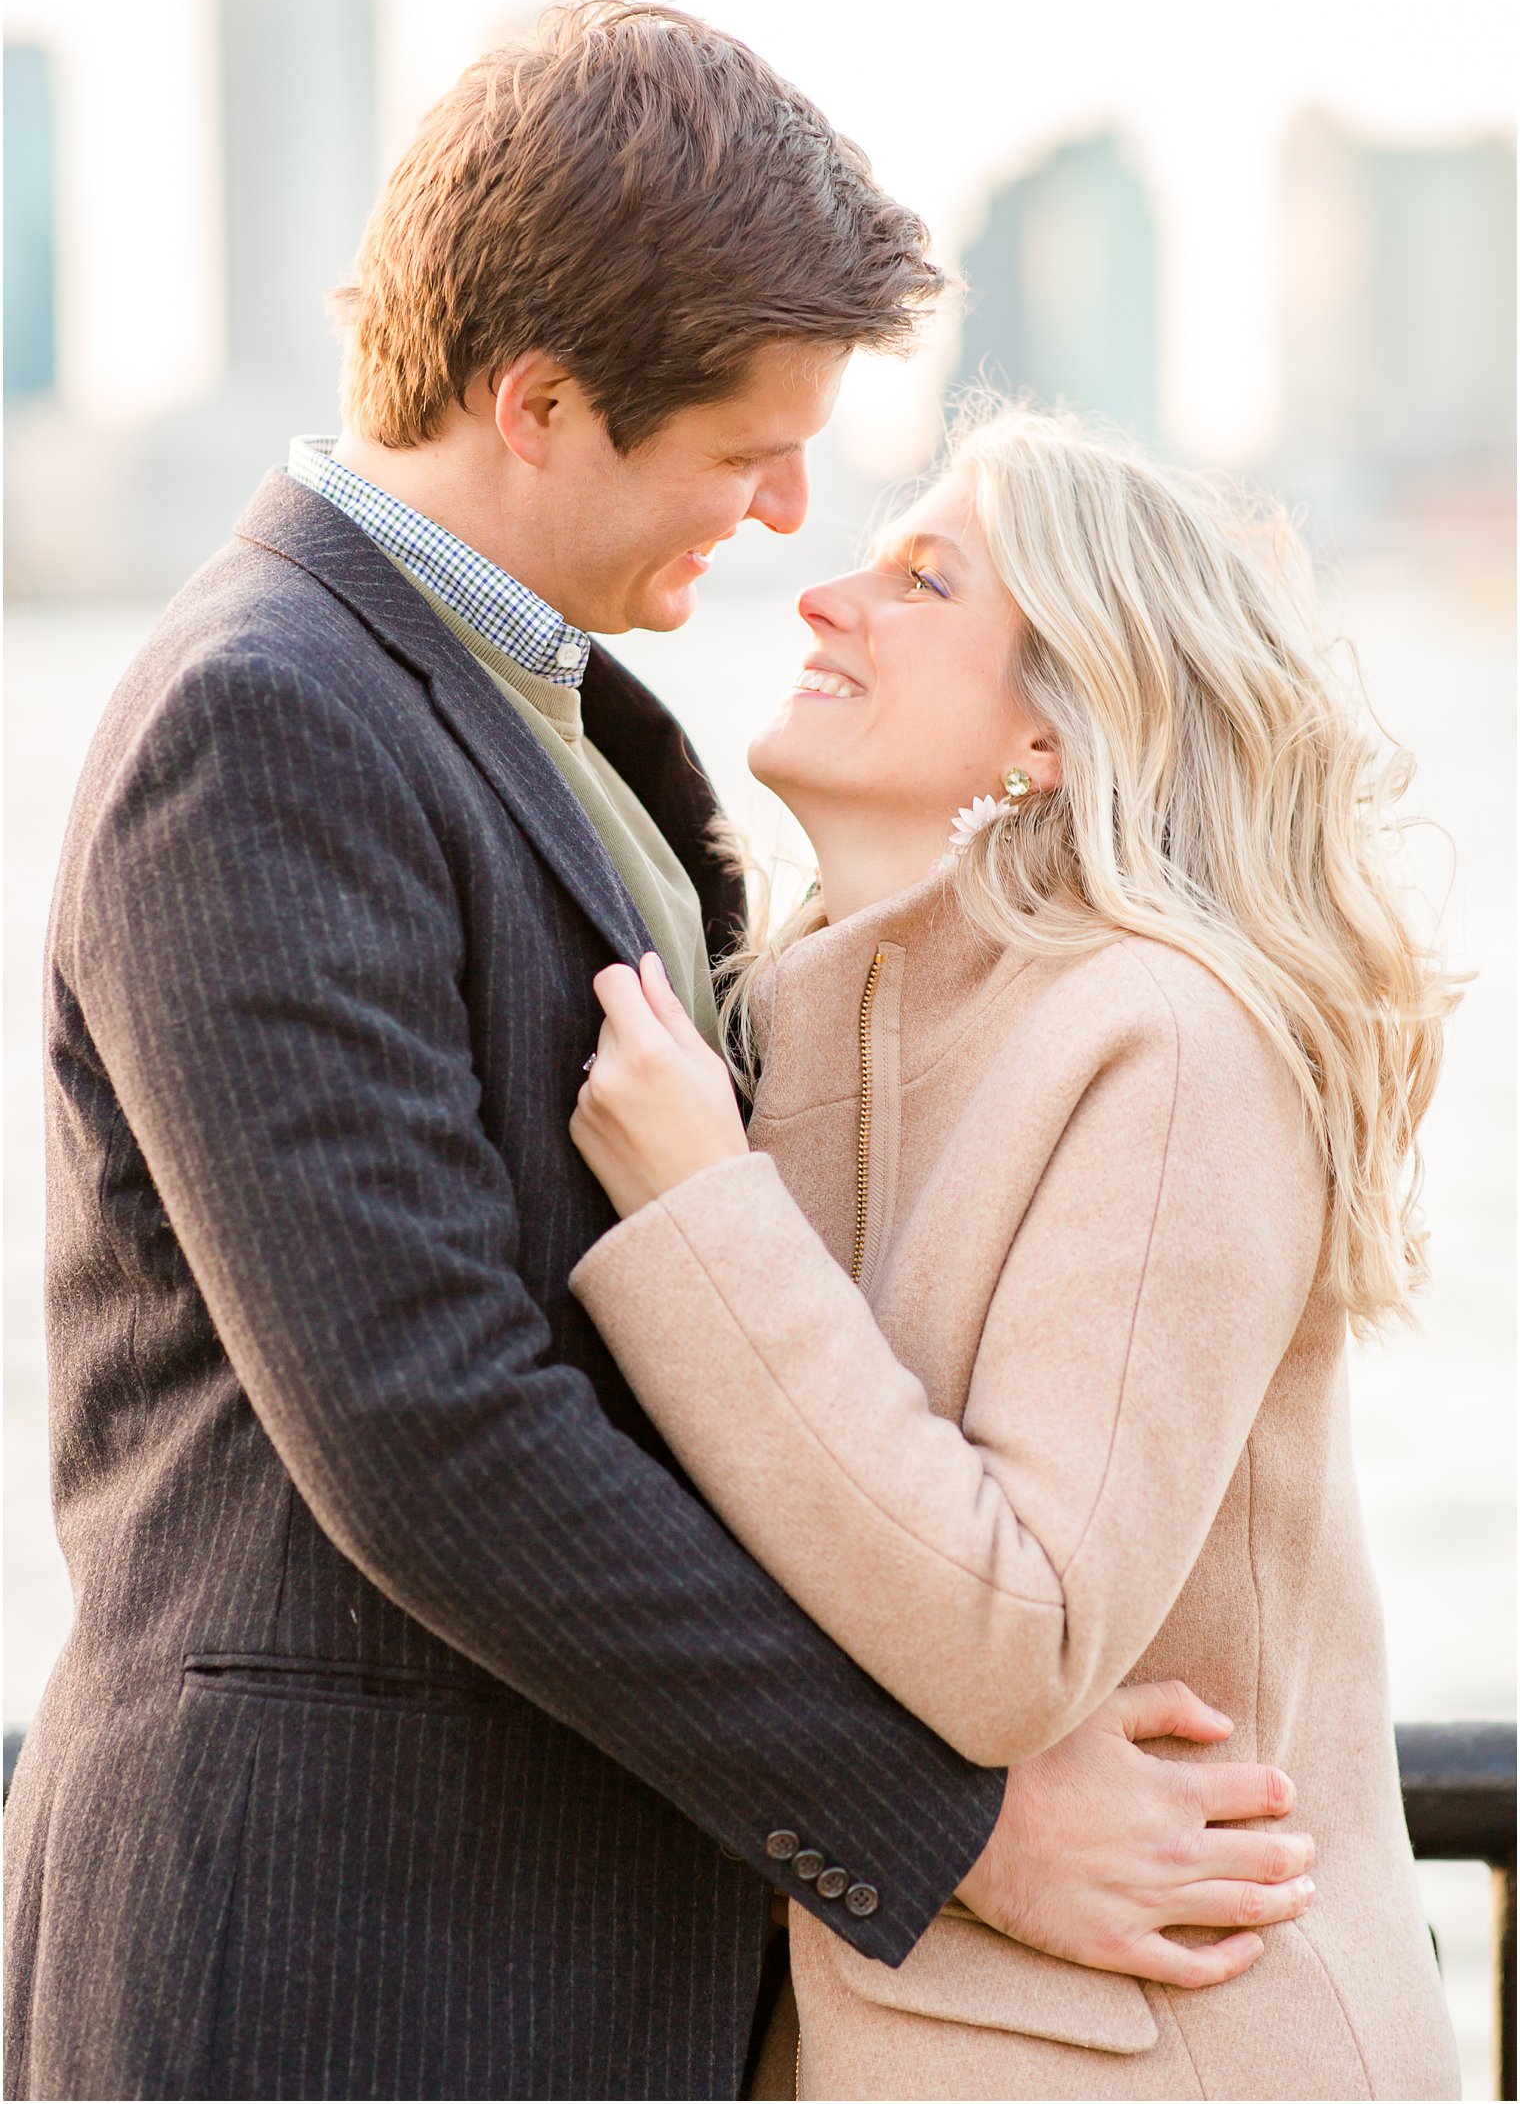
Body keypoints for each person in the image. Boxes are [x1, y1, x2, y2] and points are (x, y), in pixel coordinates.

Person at [4, 0, 1311, 2104]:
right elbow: (430, 1421)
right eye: (742, 450)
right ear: (536, 400)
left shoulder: (578, 724)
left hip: (570, 1964)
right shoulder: (263, 723)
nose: (790, 509)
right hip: (340, 1965)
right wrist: (947, 1822)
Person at [568, 403, 1465, 2099]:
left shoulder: (1168, 1039)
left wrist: (700, 1214)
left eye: (922, 578)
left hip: (1179, 2053)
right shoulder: (778, 1032)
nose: (825, 591)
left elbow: (1021, 1626)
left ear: (1057, 726)